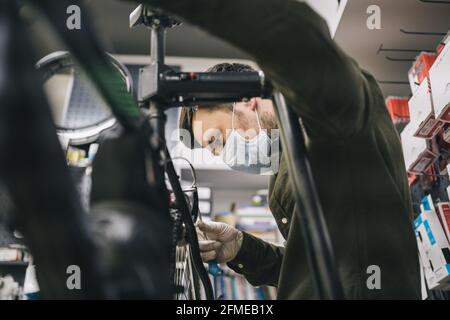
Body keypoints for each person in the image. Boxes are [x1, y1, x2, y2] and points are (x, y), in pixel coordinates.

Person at [145, 0, 421, 299]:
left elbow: (295, 33)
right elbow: (316, 267)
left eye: (218, 140)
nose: (224, 154)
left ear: (246, 100)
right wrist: (240, 248)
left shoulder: (334, 116)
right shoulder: (290, 157)